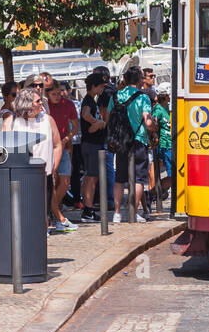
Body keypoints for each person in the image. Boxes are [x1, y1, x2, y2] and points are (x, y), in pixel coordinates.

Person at [2, 86, 62, 236]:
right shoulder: (11, 121)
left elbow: (57, 145)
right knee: (22, 207)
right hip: (19, 175)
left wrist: (53, 166)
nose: (42, 103)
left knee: (43, 208)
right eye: (38, 101)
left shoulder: (48, 120)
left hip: (43, 173)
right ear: (27, 103)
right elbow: (3, 148)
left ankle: (41, 234)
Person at [112, 66, 157, 224]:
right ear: (139, 80)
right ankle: (133, 211)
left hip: (121, 142)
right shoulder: (143, 97)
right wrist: (154, 125)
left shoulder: (116, 95)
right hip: (139, 140)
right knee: (138, 179)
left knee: (119, 179)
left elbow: (107, 118)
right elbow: (148, 121)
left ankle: (116, 213)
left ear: (124, 79)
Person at [46, 79, 80, 233]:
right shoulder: (45, 107)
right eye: (54, 93)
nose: (58, 96)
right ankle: (56, 213)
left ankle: (52, 208)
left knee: (65, 181)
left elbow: (75, 127)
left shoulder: (68, 104)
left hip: (64, 147)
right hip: (48, 148)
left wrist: (67, 139)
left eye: (59, 93)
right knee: (52, 183)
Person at [79, 73, 112, 223]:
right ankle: (88, 210)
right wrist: (96, 122)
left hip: (90, 143)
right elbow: (85, 114)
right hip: (92, 144)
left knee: (89, 177)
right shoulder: (89, 100)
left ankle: (88, 208)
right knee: (92, 178)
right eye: (100, 86)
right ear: (93, 86)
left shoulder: (92, 100)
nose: (102, 89)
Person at [152, 87, 174, 200]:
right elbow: (153, 124)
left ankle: (156, 192)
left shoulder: (168, 107)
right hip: (165, 145)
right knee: (173, 175)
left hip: (171, 144)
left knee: (174, 174)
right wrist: (156, 136)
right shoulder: (158, 110)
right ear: (164, 96)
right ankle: (153, 193)